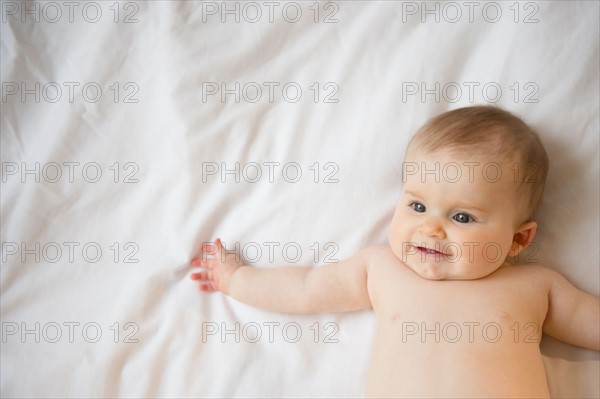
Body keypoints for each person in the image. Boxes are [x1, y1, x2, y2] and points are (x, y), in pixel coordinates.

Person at [190, 106, 600, 398]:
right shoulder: (380, 268)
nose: (430, 228)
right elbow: (305, 288)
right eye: (417, 206)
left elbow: (589, 322)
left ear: (518, 240)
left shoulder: (535, 285)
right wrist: (238, 278)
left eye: (462, 217)